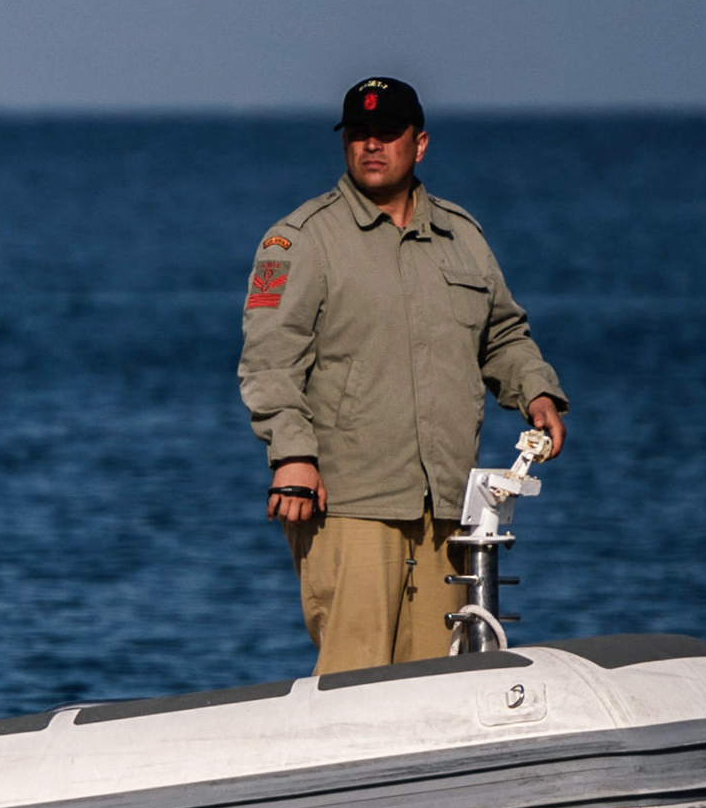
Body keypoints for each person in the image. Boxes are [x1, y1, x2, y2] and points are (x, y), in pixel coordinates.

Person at [240, 79, 570, 674]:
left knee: (441, 681)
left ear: (419, 145)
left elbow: (502, 335)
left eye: (387, 134)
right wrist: (292, 457)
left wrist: (537, 390)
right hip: (349, 503)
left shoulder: (462, 236)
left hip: (446, 506)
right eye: (359, 135)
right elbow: (268, 364)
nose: (371, 145)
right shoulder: (301, 240)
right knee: (355, 679)